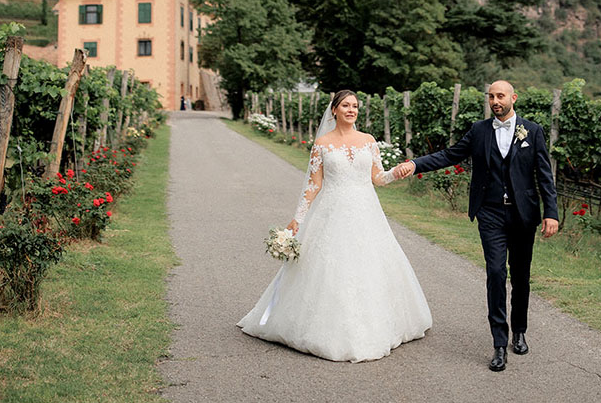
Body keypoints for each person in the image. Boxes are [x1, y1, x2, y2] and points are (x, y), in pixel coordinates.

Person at [239, 90, 431, 362]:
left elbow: (378, 178)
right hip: (332, 212)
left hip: (367, 212)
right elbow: (314, 185)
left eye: (355, 106)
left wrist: (395, 173)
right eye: (346, 105)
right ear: (335, 111)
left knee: (371, 265)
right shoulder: (322, 144)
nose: (351, 110)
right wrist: (298, 217)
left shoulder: (368, 141)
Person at [392, 80, 558, 372]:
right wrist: (416, 164)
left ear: (513, 98)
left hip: (523, 214)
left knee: (520, 276)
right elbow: (449, 154)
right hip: (490, 213)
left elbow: (544, 175)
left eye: (501, 96)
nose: (495, 100)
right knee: (495, 273)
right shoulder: (479, 131)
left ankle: (519, 330)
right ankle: (498, 344)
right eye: (491, 96)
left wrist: (551, 213)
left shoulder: (532, 131)